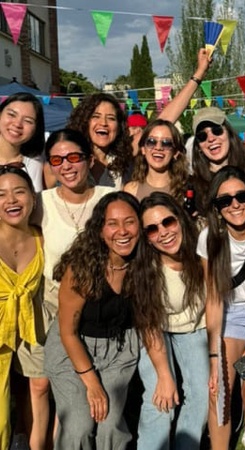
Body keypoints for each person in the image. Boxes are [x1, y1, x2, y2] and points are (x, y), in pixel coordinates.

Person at [28, 129, 115, 449]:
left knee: (86, 400)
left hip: (100, 313)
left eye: (75, 157)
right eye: (57, 159)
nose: (67, 165)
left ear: (89, 160)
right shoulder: (40, 203)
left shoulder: (109, 198)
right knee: (55, 391)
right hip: (52, 308)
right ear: (49, 165)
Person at [44, 191, 141, 449]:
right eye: (112, 223)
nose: (122, 231)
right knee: (78, 426)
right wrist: (92, 383)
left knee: (110, 425)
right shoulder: (82, 268)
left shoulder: (145, 263)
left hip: (119, 349)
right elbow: (67, 332)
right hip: (74, 347)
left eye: (130, 221)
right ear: (99, 230)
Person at [196, 165, 245, 450]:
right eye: (224, 200)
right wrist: (215, 357)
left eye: (241, 196)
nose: (234, 205)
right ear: (216, 207)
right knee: (218, 389)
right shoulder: (210, 238)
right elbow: (213, 297)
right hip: (232, 312)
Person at [134, 192, 207, 450]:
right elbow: (149, 325)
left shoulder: (201, 243)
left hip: (196, 327)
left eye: (168, 222)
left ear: (180, 218)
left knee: (201, 396)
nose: (163, 232)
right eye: (152, 230)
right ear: (147, 238)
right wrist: (165, 376)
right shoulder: (148, 268)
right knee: (161, 397)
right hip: (156, 330)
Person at [0, 166, 43, 450]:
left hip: (23, 340)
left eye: (19, 192)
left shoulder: (42, 237)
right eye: (1, 194)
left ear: (33, 197)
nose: (11, 200)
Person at [43, 93, 133, 189]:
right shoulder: (56, 164)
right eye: (96, 116)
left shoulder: (126, 165)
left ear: (119, 127)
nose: (103, 123)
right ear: (84, 121)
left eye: (111, 118)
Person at [191, 107, 245, 215]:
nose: (211, 139)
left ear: (229, 134)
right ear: (198, 146)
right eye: (202, 136)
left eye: (217, 131)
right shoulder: (193, 186)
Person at [123, 119, 189, 203]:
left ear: (175, 152)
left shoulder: (187, 189)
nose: (158, 148)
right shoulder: (130, 190)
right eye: (151, 142)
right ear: (143, 149)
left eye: (166, 143)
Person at [0, 92, 45, 192]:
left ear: (36, 129)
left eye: (28, 121)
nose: (17, 124)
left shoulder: (37, 164)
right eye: (11, 115)